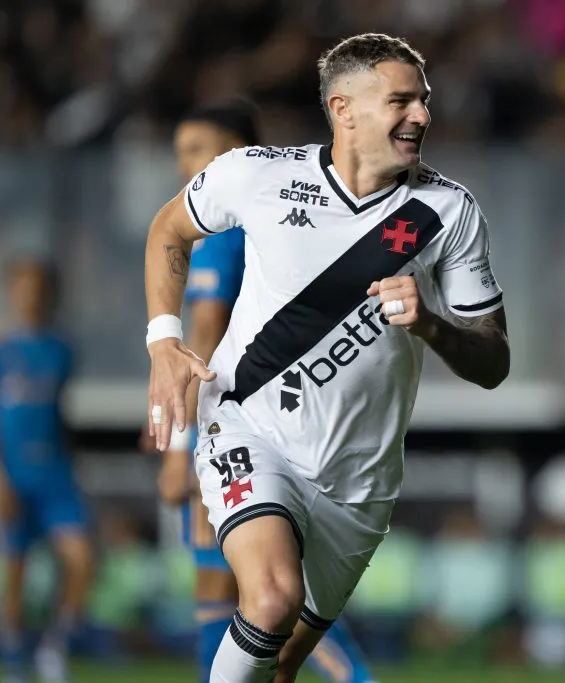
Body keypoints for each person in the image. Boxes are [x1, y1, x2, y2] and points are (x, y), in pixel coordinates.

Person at [144, 32, 508, 683]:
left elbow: (493, 361)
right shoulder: (259, 174)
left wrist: (431, 324)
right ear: (344, 109)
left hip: (360, 480)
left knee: (280, 665)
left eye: (423, 101)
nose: (421, 115)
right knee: (271, 598)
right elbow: (169, 228)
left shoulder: (447, 212)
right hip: (248, 424)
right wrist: (163, 341)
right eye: (401, 101)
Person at [159, 98, 382, 683]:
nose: (186, 166)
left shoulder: (230, 235)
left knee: (262, 593)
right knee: (233, 585)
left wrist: (183, 448)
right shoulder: (263, 224)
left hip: (235, 429)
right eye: (180, 152)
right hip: (268, 424)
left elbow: (204, 341)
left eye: (199, 151)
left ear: (238, 154)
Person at [0, 258, 93, 683]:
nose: (32, 294)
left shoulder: (62, 348)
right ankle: (14, 661)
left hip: (54, 473)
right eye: (24, 286)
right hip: (11, 474)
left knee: (81, 558)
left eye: (39, 286)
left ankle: (54, 648)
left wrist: (71, 466)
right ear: (11, 289)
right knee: (14, 571)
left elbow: (59, 414)